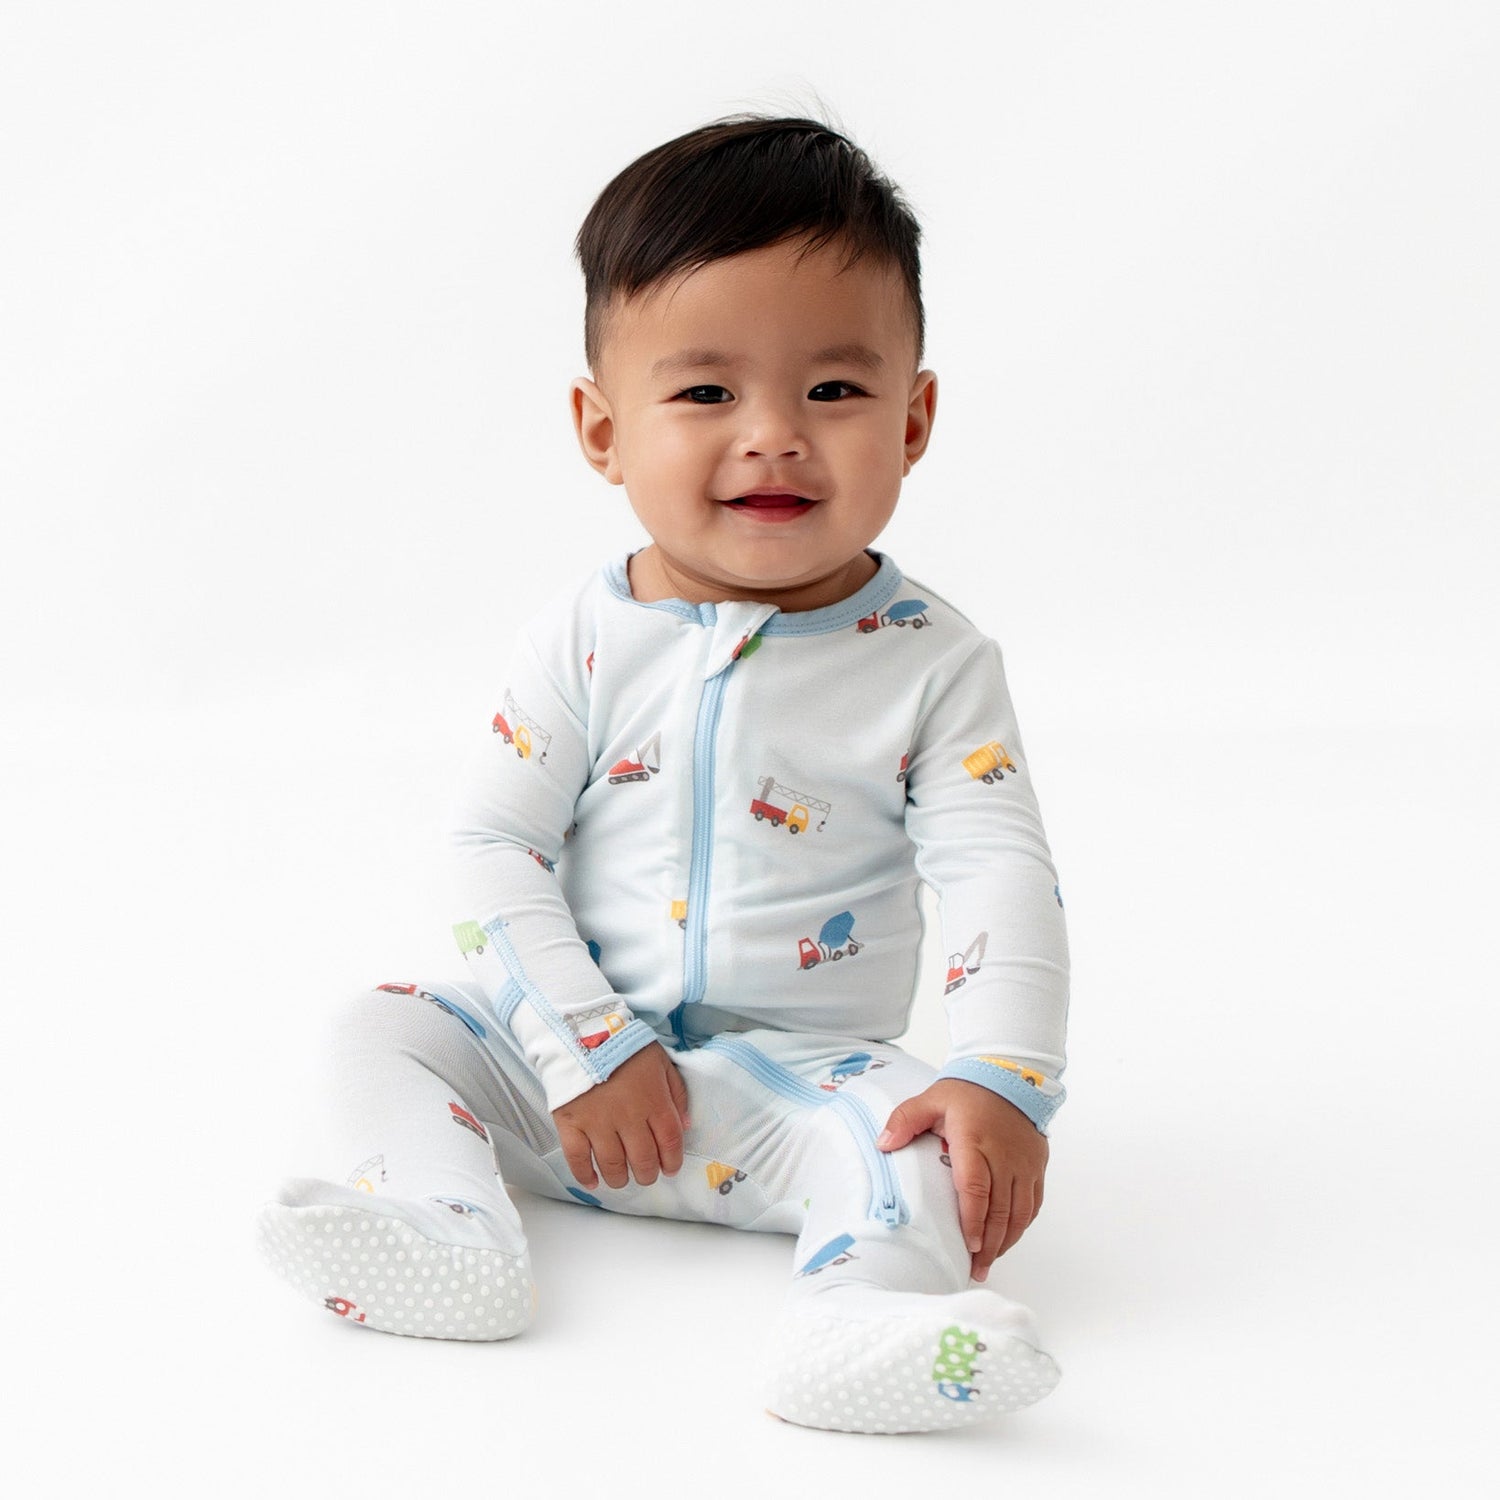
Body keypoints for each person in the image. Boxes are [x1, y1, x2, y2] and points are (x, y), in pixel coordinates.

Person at [257, 114, 1071, 1435]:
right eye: (704, 394)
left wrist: (1005, 1077)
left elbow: (998, 871)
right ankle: (451, 1230)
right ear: (603, 429)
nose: (774, 436)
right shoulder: (583, 638)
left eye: (834, 390)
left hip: (799, 1097)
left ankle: (853, 1320)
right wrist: (586, 1042)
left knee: (918, 1147)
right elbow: (493, 847)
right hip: (568, 1082)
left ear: (915, 418)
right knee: (382, 1026)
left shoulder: (936, 665)